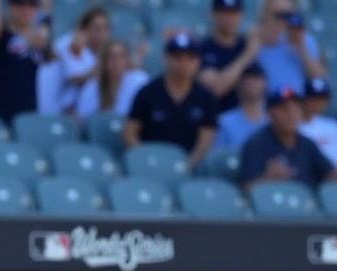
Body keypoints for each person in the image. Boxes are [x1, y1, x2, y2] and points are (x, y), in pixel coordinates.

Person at [123, 32, 218, 170]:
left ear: (197, 62)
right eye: (178, 57)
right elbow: (129, 132)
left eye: (190, 58)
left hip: (188, 167)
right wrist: (144, 159)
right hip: (152, 165)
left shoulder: (205, 97)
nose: (183, 63)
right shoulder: (147, 93)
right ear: (166, 58)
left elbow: (206, 138)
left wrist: (189, 164)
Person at [238, 86, 337, 190]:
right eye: (284, 109)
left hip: (307, 199)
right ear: (270, 113)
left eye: (296, 108)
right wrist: (268, 178)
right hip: (275, 199)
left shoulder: (306, 143)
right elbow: (246, 189)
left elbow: (330, 173)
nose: (291, 114)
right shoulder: (256, 144)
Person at [0, 0, 48, 124]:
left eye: (32, 4)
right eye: (19, 3)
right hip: (3, 113)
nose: (25, 9)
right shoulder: (2, 36)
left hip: (31, 113)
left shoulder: (40, 40)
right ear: (10, 5)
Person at [37, 6, 109, 117]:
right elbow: (73, 77)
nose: (102, 33)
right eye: (97, 28)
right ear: (84, 29)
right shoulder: (67, 43)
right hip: (55, 112)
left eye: (105, 29)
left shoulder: (97, 54)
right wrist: (98, 70)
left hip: (81, 113)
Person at [198, 0, 260, 114]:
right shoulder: (203, 49)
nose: (229, 18)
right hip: (216, 116)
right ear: (213, 14)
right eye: (224, 12)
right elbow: (214, 89)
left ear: (240, 15)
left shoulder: (246, 44)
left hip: (247, 117)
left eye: (233, 13)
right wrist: (247, 55)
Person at [252, 0, 326, 95]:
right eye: (279, 16)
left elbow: (321, 80)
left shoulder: (305, 41)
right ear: (265, 15)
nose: (284, 21)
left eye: (288, 16)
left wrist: (301, 49)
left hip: (296, 101)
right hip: (268, 101)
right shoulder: (254, 41)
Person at [74, 38, 148, 122]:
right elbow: (83, 119)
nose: (116, 61)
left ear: (127, 59)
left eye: (121, 56)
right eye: (111, 57)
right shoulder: (92, 86)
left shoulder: (139, 81)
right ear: (104, 61)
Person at [213, 63, 267, 150]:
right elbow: (218, 155)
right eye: (247, 79)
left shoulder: (274, 120)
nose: (252, 83)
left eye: (257, 78)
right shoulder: (225, 122)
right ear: (238, 84)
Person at [299, 77, 337, 165]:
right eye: (312, 98)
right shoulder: (290, 126)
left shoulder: (332, 126)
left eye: (321, 99)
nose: (316, 102)